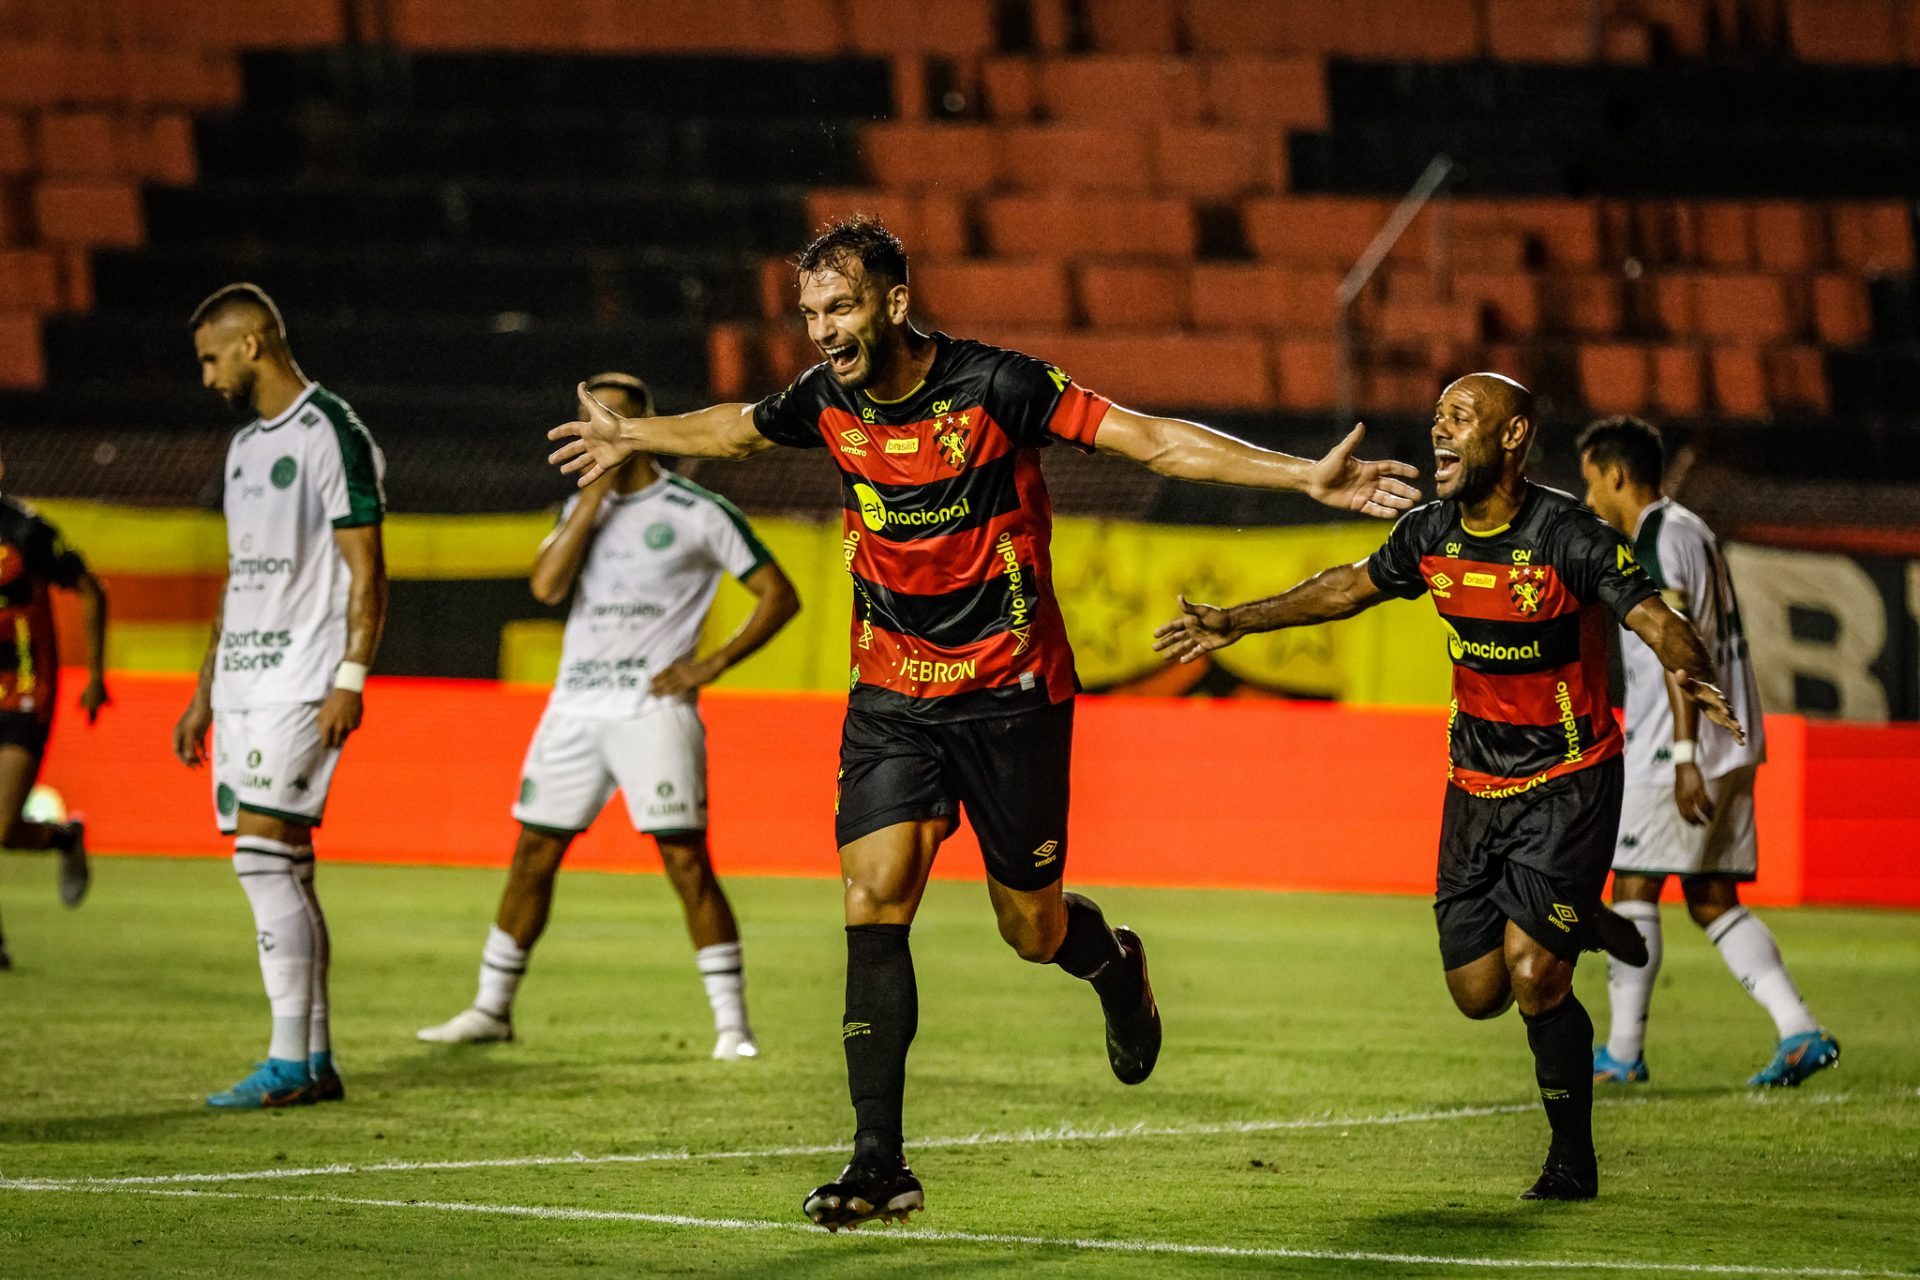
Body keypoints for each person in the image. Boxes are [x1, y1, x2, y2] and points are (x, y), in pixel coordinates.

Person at [547, 216, 1422, 1230]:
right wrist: (633, 433)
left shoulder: (997, 387)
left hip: (1012, 692)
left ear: (895, 302)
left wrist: (1298, 473)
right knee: (874, 897)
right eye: (813, 312)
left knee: (1030, 924)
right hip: (893, 695)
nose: (825, 330)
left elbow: (1153, 441)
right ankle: (879, 1164)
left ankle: (1114, 963)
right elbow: (735, 426)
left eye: (842, 307)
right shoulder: (824, 398)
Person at [1154, 373, 1745, 1202]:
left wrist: (1694, 670)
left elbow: (1650, 615)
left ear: (1511, 437)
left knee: (1536, 974)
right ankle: (1577, 910)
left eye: (1460, 419)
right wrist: (1238, 619)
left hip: (1569, 779)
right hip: (1475, 783)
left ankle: (1572, 1159)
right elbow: (1345, 589)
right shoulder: (1429, 533)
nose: (1440, 432)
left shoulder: (1567, 536)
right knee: (1478, 993)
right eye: (1437, 418)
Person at [418, 372, 799, 1059]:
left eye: (614, 417)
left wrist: (709, 666)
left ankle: (732, 1027)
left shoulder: (696, 510)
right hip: (575, 706)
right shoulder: (581, 507)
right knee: (533, 854)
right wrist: (592, 497)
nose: (601, 429)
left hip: (651, 709)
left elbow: (778, 595)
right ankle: (490, 1010)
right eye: (589, 417)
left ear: (646, 424)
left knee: (684, 860)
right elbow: (545, 586)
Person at [173, 283, 389, 1109]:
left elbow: (368, 567)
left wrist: (350, 677)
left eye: (209, 358)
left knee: (261, 856)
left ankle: (287, 1059)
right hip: (242, 685)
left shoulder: (331, 429)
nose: (206, 378)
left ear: (251, 344)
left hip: (304, 678)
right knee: (282, 864)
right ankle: (315, 1061)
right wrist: (203, 691)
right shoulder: (242, 450)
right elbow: (241, 578)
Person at [1578, 416, 1837, 1089]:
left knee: (1632, 884)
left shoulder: (1662, 536)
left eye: (1589, 482)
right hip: (1735, 738)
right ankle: (1798, 1030)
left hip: (1678, 743)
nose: (1586, 499)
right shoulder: (1693, 531)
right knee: (1712, 896)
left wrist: (1685, 752)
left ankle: (1623, 1051)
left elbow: (1676, 644)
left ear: (1616, 475)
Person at [0, 450, 108, 969]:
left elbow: (90, 589)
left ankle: (64, 837)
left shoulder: (26, 531)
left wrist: (95, 675)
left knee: (1, 827)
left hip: (25, 690)